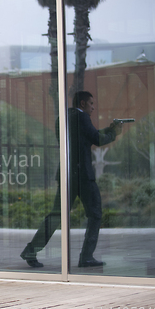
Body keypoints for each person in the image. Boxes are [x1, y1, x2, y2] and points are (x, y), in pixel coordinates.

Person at [20, 91, 122, 268]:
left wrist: (109, 129)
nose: (93, 107)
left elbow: (87, 136)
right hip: (83, 176)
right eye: (91, 103)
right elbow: (96, 138)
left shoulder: (64, 118)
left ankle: (31, 250)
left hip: (67, 174)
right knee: (95, 213)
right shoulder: (82, 118)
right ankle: (86, 256)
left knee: (56, 215)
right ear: (82, 104)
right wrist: (114, 133)